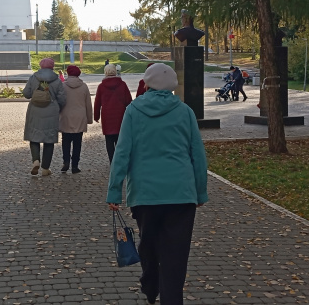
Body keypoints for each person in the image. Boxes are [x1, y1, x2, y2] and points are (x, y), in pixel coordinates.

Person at [107, 63, 208, 305]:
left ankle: (150, 282)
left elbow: (122, 152)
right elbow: (198, 154)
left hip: (145, 194)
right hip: (182, 194)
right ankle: (171, 298)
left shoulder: (133, 111)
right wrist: (200, 191)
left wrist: (114, 192)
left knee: (149, 243)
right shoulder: (185, 112)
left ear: (147, 83)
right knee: (176, 253)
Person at [22, 58, 67, 176]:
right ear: (52, 66)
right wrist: (58, 108)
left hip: (35, 109)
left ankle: (36, 160)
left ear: (41, 66)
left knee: (33, 135)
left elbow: (26, 94)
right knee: (49, 139)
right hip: (51, 111)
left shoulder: (33, 77)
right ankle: (45, 168)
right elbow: (62, 98)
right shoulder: (57, 80)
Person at [94, 63, 132, 163]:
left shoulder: (101, 86)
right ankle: (121, 160)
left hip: (107, 116)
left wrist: (96, 116)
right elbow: (129, 101)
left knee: (109, 139)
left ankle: (112, 161)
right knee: (120, 139)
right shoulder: (122, 85)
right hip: (121, 115)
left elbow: (97, 103)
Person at [58, 65, 92, 173]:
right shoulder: (84, 86)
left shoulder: (63, 86)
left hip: (66, 116)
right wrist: (89, 119)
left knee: (66, 141)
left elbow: (59, 102)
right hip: (80, 117)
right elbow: (88, 104)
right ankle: (75, 165)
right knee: (78, 143)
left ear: (68, 73)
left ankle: (66, 161)